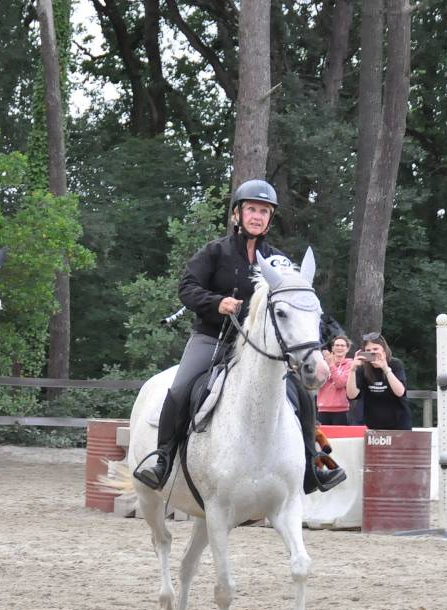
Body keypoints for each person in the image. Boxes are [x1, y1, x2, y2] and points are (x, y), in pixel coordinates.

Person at [132, 179, 345, 493]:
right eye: (252, 210)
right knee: (180, 387)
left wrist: (328, 338)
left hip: (260, 349)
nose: (257, 216)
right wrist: (216, 302)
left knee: (301, 394)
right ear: (237, 215)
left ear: (270, 219)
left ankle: (312, 465)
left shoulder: (278, 262)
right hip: (213, 338)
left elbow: (299, 304)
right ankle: (162, 459)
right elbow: (187, 288)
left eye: (264, 211)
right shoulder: (214, 252)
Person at [345, 332, 411, 430]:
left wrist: (386, 369)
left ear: (384, 350)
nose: (372, 352)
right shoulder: (363, 368)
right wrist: (352, 370)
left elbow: (400, 392)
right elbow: (352, 395)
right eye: (368, 350)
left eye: (375, 349)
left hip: (399, 423)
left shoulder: (395, 364)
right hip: (373, 425)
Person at [317, 335, 353, 425]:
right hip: (322, 408)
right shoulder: (323, 363)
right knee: (322, 438)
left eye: (342, 346)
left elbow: (340, 383)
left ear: (347, 349)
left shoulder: (350, 364)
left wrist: (331, 365)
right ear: (332, 348)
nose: (339, 348)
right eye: (337, 345)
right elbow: (317, 382)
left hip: (341, 410)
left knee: (339, 438)